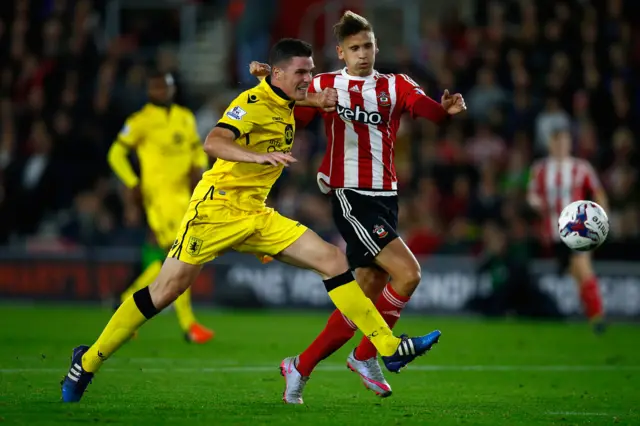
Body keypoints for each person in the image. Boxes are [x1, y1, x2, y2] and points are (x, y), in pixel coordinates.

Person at [61, 38, 441, 404]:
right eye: (300, 72)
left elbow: (301, 92)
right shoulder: (253, 102)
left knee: (333, 260)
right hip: (216, 211)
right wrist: (254, 156)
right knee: (166, 290)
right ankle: (88, 361)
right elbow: (213, 141)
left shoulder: (288, 96)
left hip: (256, 214)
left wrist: (310, 94)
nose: (308, 79)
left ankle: (386, 346)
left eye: (310, 71)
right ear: (277, 74)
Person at [249, 11, 466, 403]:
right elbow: (286, 99)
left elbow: (428, 110)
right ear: (341, 52)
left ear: (376, 47)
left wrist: (445, 110)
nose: (362, 54)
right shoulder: (326, 83)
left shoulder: (396, 85)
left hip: (387, 197)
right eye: (354, 48)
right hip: (350, 194)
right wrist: (269, 76)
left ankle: (300, 365)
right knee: (409, 273)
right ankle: (372, 354)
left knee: (363, 294)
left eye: (367, 46)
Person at [106, 71, 214, 344]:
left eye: (166, 87)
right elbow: (115, 154)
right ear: (149, 91)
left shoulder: (184, 117)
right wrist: (133, 183)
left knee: (172, 259)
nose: (162, 91)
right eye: (156, 87)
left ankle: (124, 301)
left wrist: (199, 168)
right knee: (183, 255)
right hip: (160, 197)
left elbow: (196, 149)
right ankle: (188, 325)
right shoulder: (140, 121)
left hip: (184, 195)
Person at [527, 127, 608, 334]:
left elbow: (598, 193)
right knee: (577, 275)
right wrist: (536, 204)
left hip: (579, 229)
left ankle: (598, 319)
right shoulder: (541, 169)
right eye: (557, 142)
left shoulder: (581, 168)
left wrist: (601, 217)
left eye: (564, 142)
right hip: (553, 234)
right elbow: (532, 195)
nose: (561, 146)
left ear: (570, 144)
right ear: (550, 144)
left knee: (583, 268)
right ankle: (593, 314)